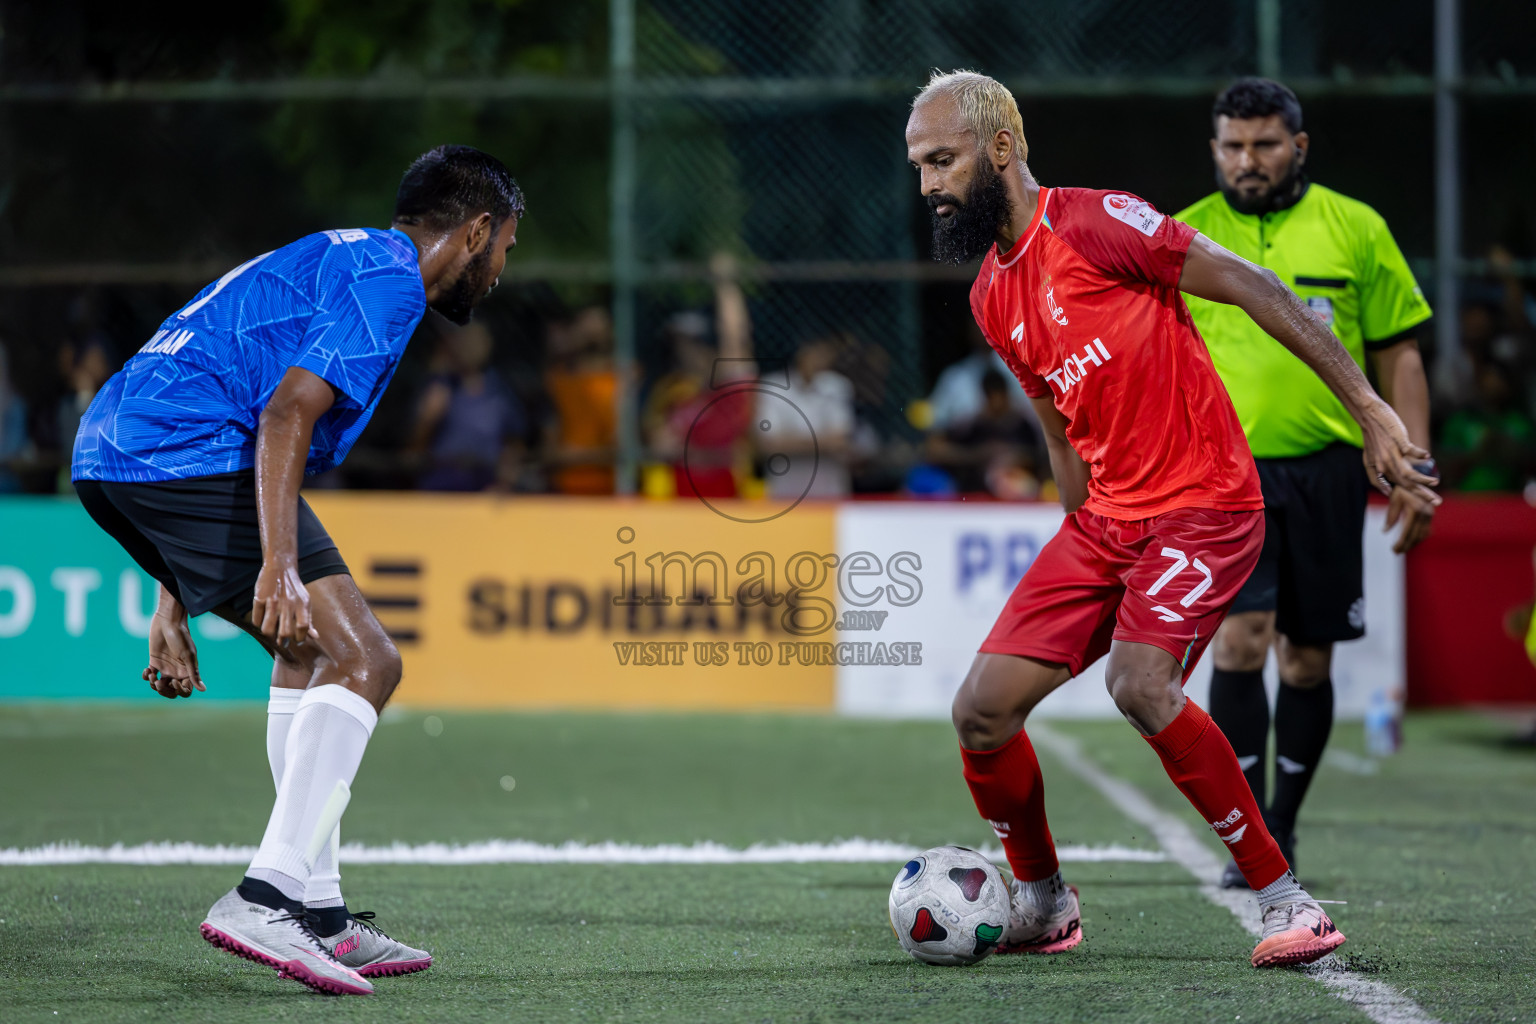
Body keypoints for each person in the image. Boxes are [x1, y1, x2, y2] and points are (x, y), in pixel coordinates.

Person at [905, 71, 1438, 968]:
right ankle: (1041, 899)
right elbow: (1056, 428)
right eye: (919, 166)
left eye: (943, 160)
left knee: (1141, 686)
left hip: (1206, 507)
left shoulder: (1099, 221)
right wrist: (1078, 547)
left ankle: (1284, 900)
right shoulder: (990, 295)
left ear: (1000, 148)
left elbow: (1255, 285)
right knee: (981, 713)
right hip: (1107, 524)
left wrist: (1372, 413)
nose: (928, 185)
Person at [70, 144, 524, 995]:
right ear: (476, 230)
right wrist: (277, 564)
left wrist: (172, 587)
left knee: (309, 655)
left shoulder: (348, 257)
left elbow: (244, 400)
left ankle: (319, 914)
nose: (501, 269)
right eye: (504, 248)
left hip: (129, 448)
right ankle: (264, 894)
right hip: (177, 454)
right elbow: (285, 411)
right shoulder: (387, 286)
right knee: (367, 660)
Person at [1175, 79, 1436, 889]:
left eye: (1263, 145)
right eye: (1231, 146)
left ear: (1299, 146)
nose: (1246, 162)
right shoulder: (1181, 235)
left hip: (1329, 472)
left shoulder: (1355, 227)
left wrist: (1413, 462)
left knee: (1308, 662)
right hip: (1226, 476)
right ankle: (1247, 831)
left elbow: (1399, 353)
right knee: (1239, 641)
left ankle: (1283, 822)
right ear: (1214, 148)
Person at [410, 321, 528, 491]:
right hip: (441, 483)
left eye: (477, 340)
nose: (470, 347)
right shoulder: (440, 385)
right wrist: (427, 419)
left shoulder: (501, 391)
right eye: (465, 340)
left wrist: (505, 482)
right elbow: (414, 447)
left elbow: (515, 442)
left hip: (485, 484)